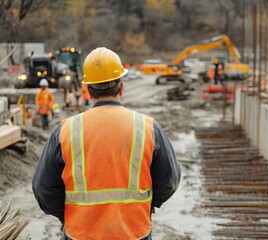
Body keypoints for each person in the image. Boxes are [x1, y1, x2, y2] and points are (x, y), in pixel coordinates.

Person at [32, 47, 181, 240]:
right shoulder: (148, 127)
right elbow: (169, 182)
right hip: (134, 232)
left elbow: (43, 189)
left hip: (80, 233)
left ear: (88, 90)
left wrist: (67, 215)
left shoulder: (65, 130)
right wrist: (147, 205)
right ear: (121, 87)